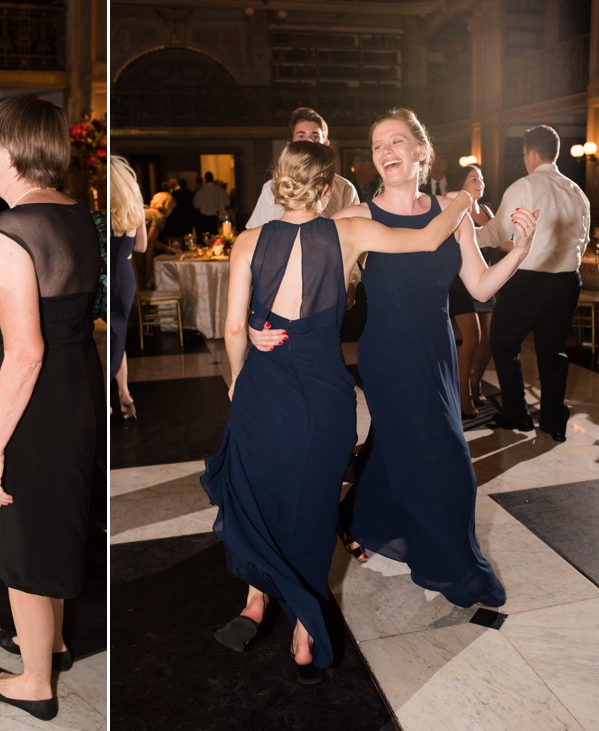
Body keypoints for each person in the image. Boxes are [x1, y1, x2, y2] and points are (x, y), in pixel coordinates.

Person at [201, 141, 478, 683]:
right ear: (327, 190)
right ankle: (306, 633)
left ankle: (254, 605)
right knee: (312, 507)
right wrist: (463, 200)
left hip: (266, 385)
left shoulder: (249, 241)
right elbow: (425, 239)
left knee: (260, 494)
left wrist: (239, 377)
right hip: (327, 394)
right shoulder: (346, 232)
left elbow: (235, 327)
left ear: (276, 181)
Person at [252, 107, 536, 610]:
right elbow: (293, 247)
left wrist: (519, 250)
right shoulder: (357, 215)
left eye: (396, 142)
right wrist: (259, 320)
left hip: (438, 352)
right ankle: (455, 567)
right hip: (388, 354)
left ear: (421, 151)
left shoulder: (451, 211)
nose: (386, 152)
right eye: (378, 145)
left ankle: (359, 515)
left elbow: (478, 283)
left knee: (393, 447)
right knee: (449, 459)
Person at [0, 96, 102, 721]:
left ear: (13, 150)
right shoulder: (75, 214)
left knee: (23, 538)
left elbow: (23, 355)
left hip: (32, 408)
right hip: (76, 395)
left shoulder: (10, 230)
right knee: (57, 525)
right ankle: (56, 642)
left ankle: (35, 681)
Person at [476, 125, 590, 443]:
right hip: (568, 281)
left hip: (529, 280)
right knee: (552, 352)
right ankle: (554, 422)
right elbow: (580, 243)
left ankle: (517, 414)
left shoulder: (524, 187)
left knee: (502, 344)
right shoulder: (576, 191)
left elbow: (497, 235)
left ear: (530, 153)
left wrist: (465, 230)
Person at [246, 107, 360, 228]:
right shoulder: (272, 187)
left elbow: (355, 230)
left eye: (315, 137)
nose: (309, 142)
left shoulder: (345, 188)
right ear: (290, 145)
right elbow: (256, 233)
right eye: (301, 137)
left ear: (325, 144)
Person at [445, 164, 497, 417]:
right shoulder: (455, 208)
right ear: (460, 183)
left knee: (488, 341)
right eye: (473, 178)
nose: (480, 182)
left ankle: (475, 385)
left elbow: (501, 241)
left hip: (487, 281)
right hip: (461, 281)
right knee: (472, 338)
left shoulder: (486, 210)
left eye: (481, 178)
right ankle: (462, 394)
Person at [109, 155, 148, 419]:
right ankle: (124, 393)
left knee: (108, 337)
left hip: (106, 277)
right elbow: (142, 247)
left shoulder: (104, 212)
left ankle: (106, 402)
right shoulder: (134, 206)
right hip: (125, 278)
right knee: (118, 335)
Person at [142, 190, 178, 288]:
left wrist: (168, 248)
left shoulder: (147, 212)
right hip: (138, 253)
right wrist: (148, 265)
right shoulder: (159, 217)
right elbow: (150, 242)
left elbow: (150, 239)